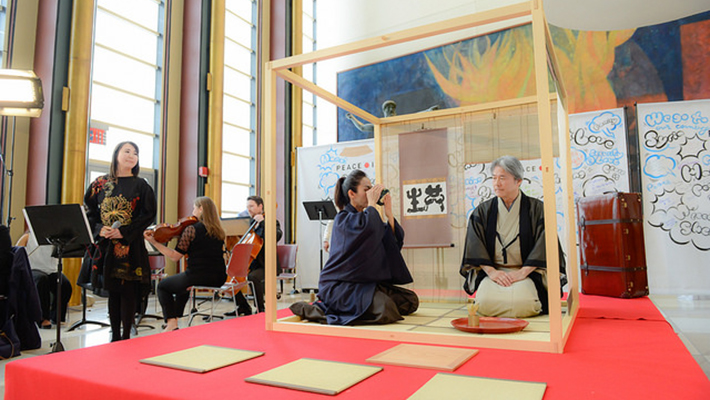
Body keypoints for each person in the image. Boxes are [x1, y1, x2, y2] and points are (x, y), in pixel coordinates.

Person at [291, 169, 418, 325]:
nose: (371, 193)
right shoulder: (343, 219)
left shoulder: (368, 218)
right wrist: (372, 204)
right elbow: (369, 230)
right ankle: (321, 311)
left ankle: (357, 307)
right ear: (352, 194)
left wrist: (389, 214)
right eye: (366, 189)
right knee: (386, 308)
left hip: (363, 284)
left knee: (410, 301)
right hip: (340, 286)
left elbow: (390, 243)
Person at [460, 155, 567, 318]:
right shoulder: (483, 211)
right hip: (494, 272)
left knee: (523, 304)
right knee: (485, 303)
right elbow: (475, 245)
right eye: (494, 178)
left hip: (526, 272)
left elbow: (545, 245)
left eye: (502, 178)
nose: (497, 183)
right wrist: (492, 272)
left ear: (518, 181)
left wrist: (522, 273)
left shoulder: (537, 209)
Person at [83, 141, 157, 341]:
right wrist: (99, 229)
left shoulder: (141, 185)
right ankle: (115, 336)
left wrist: (123, 232)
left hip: (130, 245)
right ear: (116, 154)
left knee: (128, 290)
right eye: (127, 151)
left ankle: (126, 335)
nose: (132, 156)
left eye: (135, 153)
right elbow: (89, 212)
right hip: (106, 246)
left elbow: (148, 215)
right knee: (113, 290)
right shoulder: (99, 184)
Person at [144, 197, 226, 332]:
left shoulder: (191, 229)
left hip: (198, 276)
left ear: (201, 209)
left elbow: (175, 257)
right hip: (219, 277)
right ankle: (175, 319)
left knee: (163, 286)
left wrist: (154, 242)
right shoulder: (219, 231)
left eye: (194, 208)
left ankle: (171, 323)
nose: (192, 211)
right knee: (182, 286)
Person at [231, 195, 282, 315]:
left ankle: (260, 308)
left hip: (267, 264)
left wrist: (263, 222)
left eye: (252, 206)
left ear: (260, 206)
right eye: (247, 207)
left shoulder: (272, 222)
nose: (249, 209)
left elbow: (276, 236)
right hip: (252, 263)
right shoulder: (251, 224)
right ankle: (243, 306)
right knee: (231, 276)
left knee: (253, 277)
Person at [16, 231, 72, 329]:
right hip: (33, 269)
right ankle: (42, 318)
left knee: (65, 284)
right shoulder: (27, 237)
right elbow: (16, 254)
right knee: (42, 281)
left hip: (51, 271)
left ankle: (57, 316)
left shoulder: (56, 239)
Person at [345, 100, 439, 135]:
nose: (391, 110)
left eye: (393, 108)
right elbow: (362, 127)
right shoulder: (380, 125)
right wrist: (352, 118)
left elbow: (415, 116)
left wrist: (428, 111)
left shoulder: (399, 121)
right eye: (388, 108)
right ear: (384, 111)